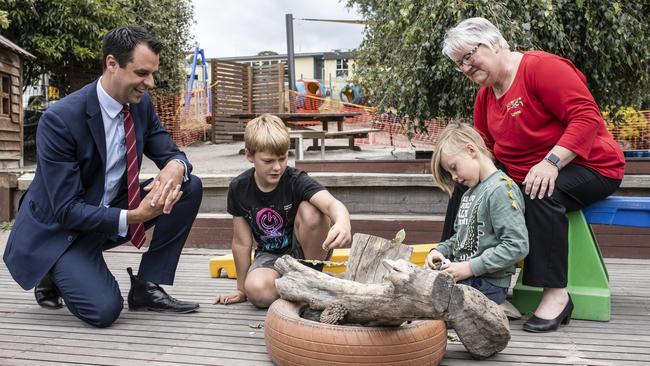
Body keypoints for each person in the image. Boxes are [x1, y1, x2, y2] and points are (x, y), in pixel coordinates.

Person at [3, 26, 203, 328]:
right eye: (141, 73)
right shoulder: (60, 120)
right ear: (112, 64)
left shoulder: (140, 104)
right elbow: (67, 210)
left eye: (152, 73)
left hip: (106, 209)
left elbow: (168, 150)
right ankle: (51, 266)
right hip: (60, 228)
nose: (150, 83)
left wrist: (176, 165)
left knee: (189, 185)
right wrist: (135, 215)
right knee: (105, 310)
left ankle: (147, 286)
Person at [441, 18, 624, 332]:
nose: (467, 67)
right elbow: (487, 151)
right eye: (460, 64)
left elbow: (586, 117)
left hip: (590, 165)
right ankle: (452, 271)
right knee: (466, 188)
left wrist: (551, 162)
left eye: (469, 56)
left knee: (539, 190)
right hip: (525, 172)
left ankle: (556, 295)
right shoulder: (485, 97)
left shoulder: (541, 69)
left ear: (494, 43)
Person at [213, 114, 352, 308]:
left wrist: (343, 222)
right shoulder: (239, 188)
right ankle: (304, 290)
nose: (277, 167)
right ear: (249, 156)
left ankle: (314, 279)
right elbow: (242, 242)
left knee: (312, 210)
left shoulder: (296, 180)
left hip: (306, 252)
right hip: (270, 257)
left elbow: (332, 204)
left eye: (283, 158)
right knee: (256, 291)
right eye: (268, 161)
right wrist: (241, 290)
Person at [424, 123, 529, 305]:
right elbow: (460, 239)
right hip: (466, 278)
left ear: (471, 150)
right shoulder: (469, 193)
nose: (454, 177)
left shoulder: (500, 190)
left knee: (425, 302)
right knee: (418, 284)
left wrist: (470, 267)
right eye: (450, 172)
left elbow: (517, 246)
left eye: (454, 167)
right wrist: (439, 251)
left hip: (488, 284)